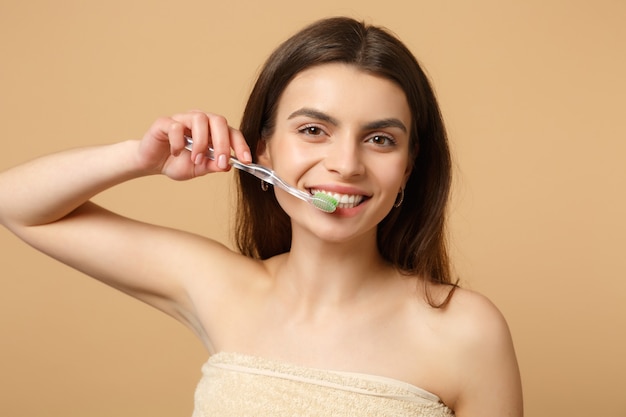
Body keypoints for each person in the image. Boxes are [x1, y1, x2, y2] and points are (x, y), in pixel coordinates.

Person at [0, 16, 523, 416]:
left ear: (409, 167)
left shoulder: (466, 331)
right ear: (263, 149)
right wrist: (141, 158)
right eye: (314, 130)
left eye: (380, 139)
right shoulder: (221, 286)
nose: (345, 163)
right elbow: (17, 205)